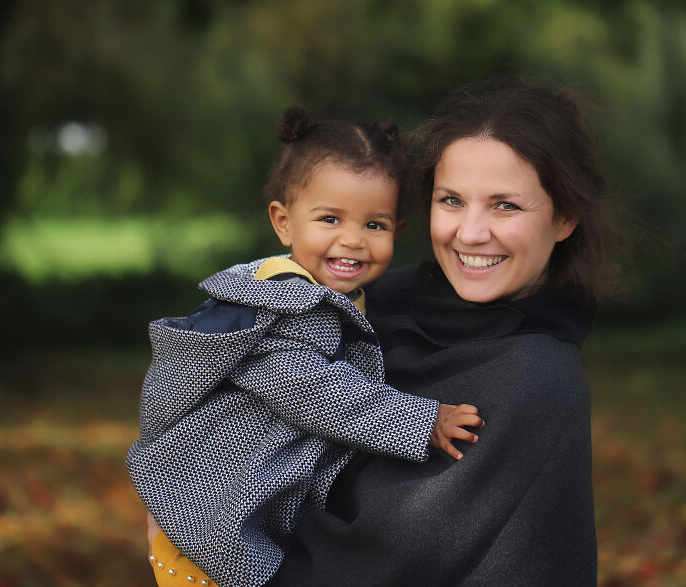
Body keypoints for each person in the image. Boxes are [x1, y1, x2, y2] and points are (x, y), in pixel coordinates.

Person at [267, 78, 619, 585]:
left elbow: (382, 560)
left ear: (564, 217)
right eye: (451, 200)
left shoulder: (537, 378)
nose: (471, 232)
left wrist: (199, 549)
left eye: (506, 205)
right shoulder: (364, 308)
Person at [126, 106, 483, 587]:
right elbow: (312, 390)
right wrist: (421, 422)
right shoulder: (280, 302)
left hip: (229, 513)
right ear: (284, 222)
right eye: (330, 218)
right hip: (205, 518)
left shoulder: (338, 298)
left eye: (374, 225)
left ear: (397, 231)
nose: (353, 240)